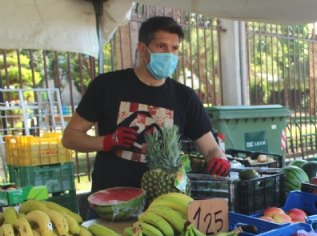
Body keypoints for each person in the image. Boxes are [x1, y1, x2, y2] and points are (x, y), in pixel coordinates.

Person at [62, 16, 230, 200]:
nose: (169, 54)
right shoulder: (107, 86)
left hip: (166, 203)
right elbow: (70, 137)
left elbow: (211, 149)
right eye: (161, 46)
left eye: (174, 48)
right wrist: (108, 141)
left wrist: (219, 159)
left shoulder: (185, 97)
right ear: (142, 49)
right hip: (111, 202)